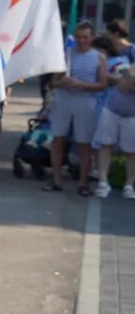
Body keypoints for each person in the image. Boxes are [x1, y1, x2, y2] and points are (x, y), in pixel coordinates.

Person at [46, 22, 107, 195]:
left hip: (85, 101)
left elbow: (103, 84)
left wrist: (82, 84)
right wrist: (62, 82)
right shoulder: (67, 55)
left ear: (92, 38)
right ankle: (56, 180)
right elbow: (53, 81)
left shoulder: (98, 57)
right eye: (79, 37)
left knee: (84, 143)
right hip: (64, 100)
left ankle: (83, 183)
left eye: (85, 37)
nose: (82, 40)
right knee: (58, 140)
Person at [94, 60, 135, 199]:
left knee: (132, 152)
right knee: (106, 145)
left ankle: (129, 185)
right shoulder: (131, 67)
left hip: (132, 115)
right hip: (112, 110)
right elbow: (123, 86)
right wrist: (130, 76)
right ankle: (103, 182)